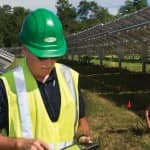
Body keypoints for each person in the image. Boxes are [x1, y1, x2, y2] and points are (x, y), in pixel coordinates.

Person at [0, 8, 92, 150]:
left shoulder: (70, 78)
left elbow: (82, 122)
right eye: (41, 56)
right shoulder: (5, 86)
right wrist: (18, 144)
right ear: (24, 49)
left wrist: (81, 136)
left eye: (54, 55)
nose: (48, 63)